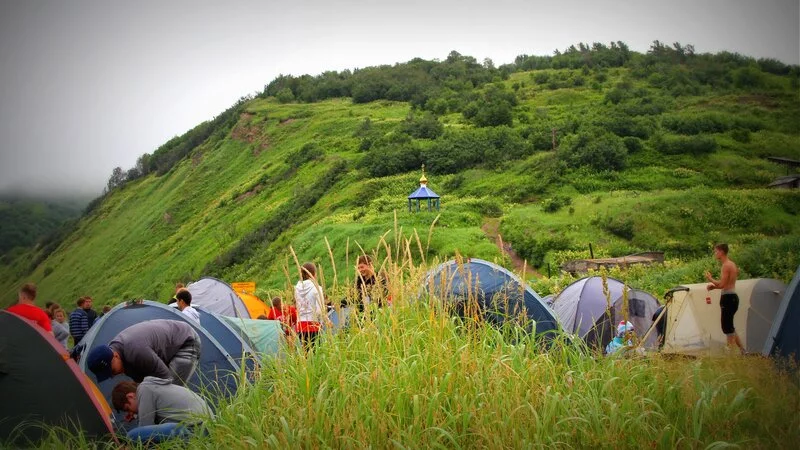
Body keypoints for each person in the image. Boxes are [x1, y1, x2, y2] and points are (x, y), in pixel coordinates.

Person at [86, 319, 201, 385]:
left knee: (173, 390)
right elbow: (144, 383)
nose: (112, 375)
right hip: (165, 349)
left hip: (186, 341)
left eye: (112, 371)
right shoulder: (116, 351)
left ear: (115, 356)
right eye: (108, 374)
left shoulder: (136, 351)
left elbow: (166, 379)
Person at [112, 378, 213, 444]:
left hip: (197, 430)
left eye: (127, 409)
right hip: (207, 427)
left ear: (130, 396)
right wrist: (135, 415)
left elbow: (144, 427)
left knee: (133, 436)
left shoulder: (144, 390)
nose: (131, 413)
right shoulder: (153, 388)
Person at [705, 243, 744, 353]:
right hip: (732, 296)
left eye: (716, 251)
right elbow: (726, 285)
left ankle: (730, 352)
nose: (715, 253)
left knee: (726, 327)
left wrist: (710, 279)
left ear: (721, 252)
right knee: (730, 325)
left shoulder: (726, 265)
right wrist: (714, 287)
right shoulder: (732, 264)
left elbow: (722, 284)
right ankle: (742, 350)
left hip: (728, 298)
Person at [295, 262, 326, 349]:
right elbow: (320, 311)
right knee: (316, 353)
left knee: (306, 354)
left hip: (301, 325)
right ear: (314, 274)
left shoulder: (296, 288)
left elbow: (298, 307)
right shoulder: (317, 288)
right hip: (314, 325)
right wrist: (323, 321)